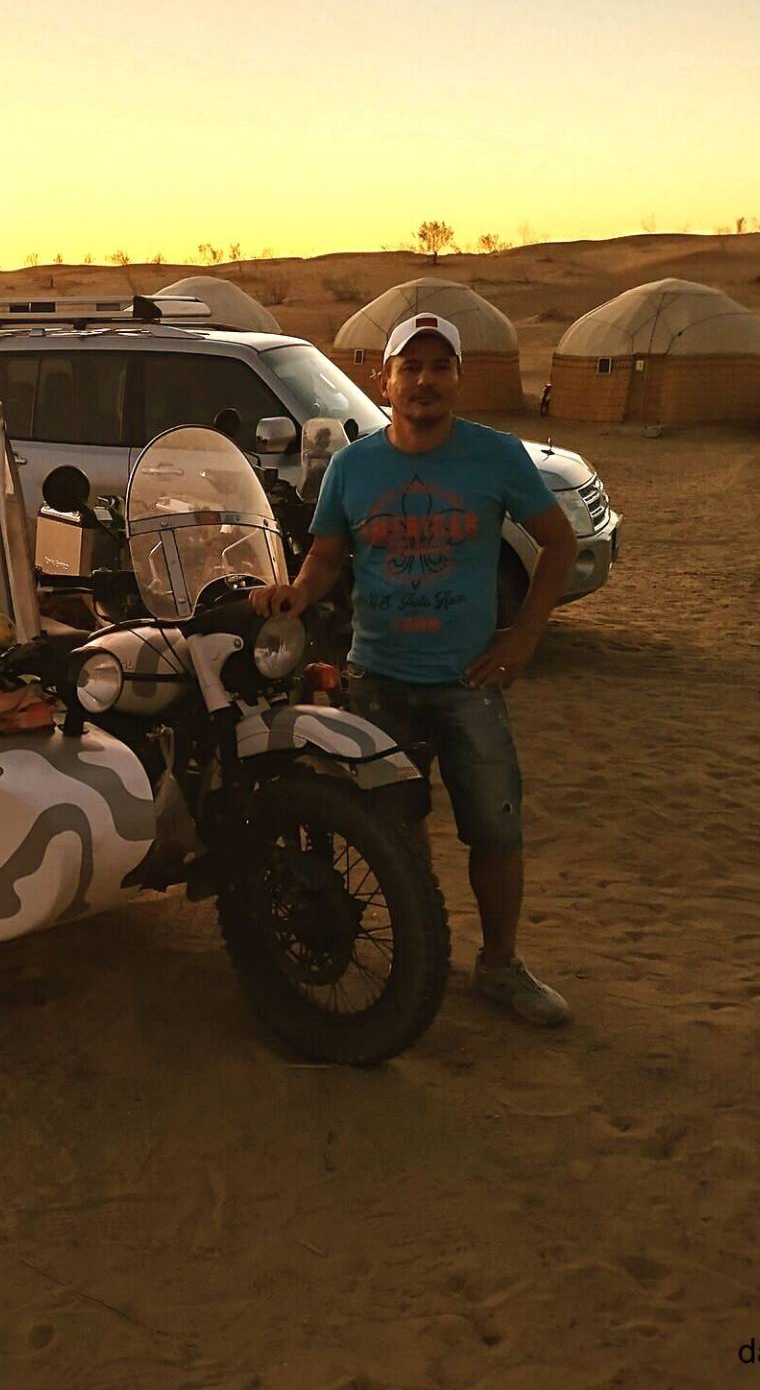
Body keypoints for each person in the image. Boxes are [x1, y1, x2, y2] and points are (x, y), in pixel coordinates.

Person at [249, 313, 578, 1027]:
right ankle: (415, 959)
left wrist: (522, 640)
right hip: (376, 682)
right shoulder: (354, 466)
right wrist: (295, 597)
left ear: (457, 378)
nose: (425, 380)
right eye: (412, 367)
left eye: (440, 366)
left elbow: (558, 542)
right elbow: (327, 557)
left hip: (468, 684)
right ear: (384, 379)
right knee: (392, 834)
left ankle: (499, 966)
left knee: (496, 831)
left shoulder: (495, 457)